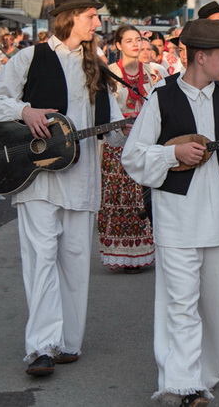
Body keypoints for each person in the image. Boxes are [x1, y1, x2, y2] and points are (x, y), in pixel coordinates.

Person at [0, 0, 127, 376]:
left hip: (82, 179)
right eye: (92, 15)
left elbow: (112, 130)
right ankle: (41, 346)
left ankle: (68, 343)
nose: (98, 21)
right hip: (37, 179)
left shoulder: (97, 64)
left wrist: (141, 130)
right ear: (69, 17)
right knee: (40, 260)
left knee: (75, 261)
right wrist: (24, 109)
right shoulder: (30, 56)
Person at [122, 18, 219, 407]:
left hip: (216, 214)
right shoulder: (162, 96)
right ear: (200, 56)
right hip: (176, 213)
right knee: (179, 302)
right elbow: (133, 155)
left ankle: (204, 375)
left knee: (214, 304)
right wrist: (171, 153)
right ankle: (182, 384)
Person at [98, 25, 158, 271]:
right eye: (129, 40)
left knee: (142, 198)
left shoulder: (153, 73)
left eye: (138, 39)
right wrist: (118, 127)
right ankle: (119, 253)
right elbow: (102, 110)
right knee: (118, 198)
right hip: (117, 146)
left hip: (143, 143)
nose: (135, 44)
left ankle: (143, 251)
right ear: (118, 45)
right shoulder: (109, 74)